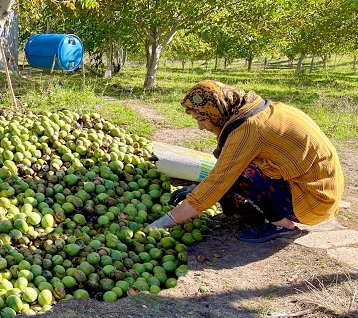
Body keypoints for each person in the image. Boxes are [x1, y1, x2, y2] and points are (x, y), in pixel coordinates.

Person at [147, 79, 345, 243]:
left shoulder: (249, 129)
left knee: (238, 173)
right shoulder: (258, 110)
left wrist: (162, 223)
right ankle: (272, 215)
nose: (200, 127)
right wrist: (197, 190)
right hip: (325, 188)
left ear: (216, 111)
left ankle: (282, 225)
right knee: (234, 167)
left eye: (202, 118)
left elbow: (219, 180)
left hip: (314, 202)